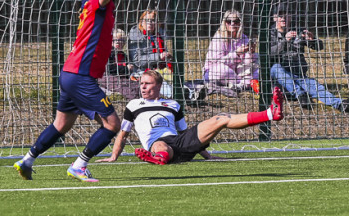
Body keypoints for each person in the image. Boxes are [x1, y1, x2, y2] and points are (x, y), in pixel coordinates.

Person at [14, 0, 123, 183]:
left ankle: (27, 160)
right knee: (113, 124)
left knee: (62, 124)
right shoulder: (99, 3)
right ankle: (79, 165)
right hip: (81, 75)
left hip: (70, 73)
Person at [98, 69, 285, 165]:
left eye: (147, 84)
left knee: (221, 118)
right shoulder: (133, 105)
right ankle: (159, 157)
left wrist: (207, 156)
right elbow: (123, 134)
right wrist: (114, 156)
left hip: (181, 143)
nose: (142, 87)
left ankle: (270, 113)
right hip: (159, 144)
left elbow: (185, 132)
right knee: (160, 144)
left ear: (159, 85)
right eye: (141, 84)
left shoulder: (173, 105)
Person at [269, 4, 349, 113]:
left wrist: (312, 40)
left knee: (315, 86)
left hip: (298, 76)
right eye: (280, 15)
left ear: (290, 16)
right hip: (279, 82)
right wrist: (285, 41)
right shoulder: (268, 33)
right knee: (277, 68)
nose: (283, 18)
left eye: (286, 15)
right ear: (274, 18)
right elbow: (269, 53)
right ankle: (300, 95)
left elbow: (320, 46)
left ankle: (341, 105)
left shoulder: (298, 31)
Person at [203, 9, 260, 97]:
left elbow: (248, 63)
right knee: (221, 70)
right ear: (225, 23)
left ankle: (239, 85)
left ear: (240, 23)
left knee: (257, 61)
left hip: (237, 72)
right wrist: (236, 53)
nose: (233, 24)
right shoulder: (218, 38)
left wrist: (250, 53)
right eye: (229, 21)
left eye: (236, 21)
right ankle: (243, 85)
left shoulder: (244, 38)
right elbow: (218, 62)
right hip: (214, 73)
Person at [127, 9, 172, 73]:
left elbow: (164, 53)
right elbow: (137, 61)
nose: (150, 23)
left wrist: (167, 56)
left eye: (153, 20)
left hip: (160, 70)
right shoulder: (135, 35)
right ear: (141, 22)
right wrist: (158, 56)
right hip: (141, 71)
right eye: (146, 20)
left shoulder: (159, 36)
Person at [101, 28, 138, 100]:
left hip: (122, 79)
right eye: (115, 40)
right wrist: (126, 68)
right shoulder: (108, 53)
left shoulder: (123, 55)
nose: (118, 42)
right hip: (108, 78)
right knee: (128, 90)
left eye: (121, 40)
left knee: (136, 85)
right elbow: (110, 69)